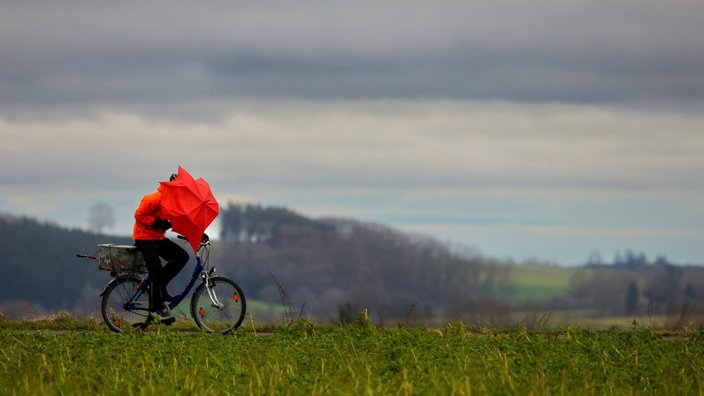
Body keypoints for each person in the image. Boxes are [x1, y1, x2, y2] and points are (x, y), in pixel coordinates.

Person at [133, 173, 189, 324]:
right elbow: (138, 215)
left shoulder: (173, 203)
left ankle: (160, 287)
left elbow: (184, 221)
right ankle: (157, 307)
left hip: (157, 238)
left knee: (182, 257)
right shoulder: (154, 199)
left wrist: (200, 234)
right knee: (156, 272)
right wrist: (157, 222)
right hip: (144, 239)